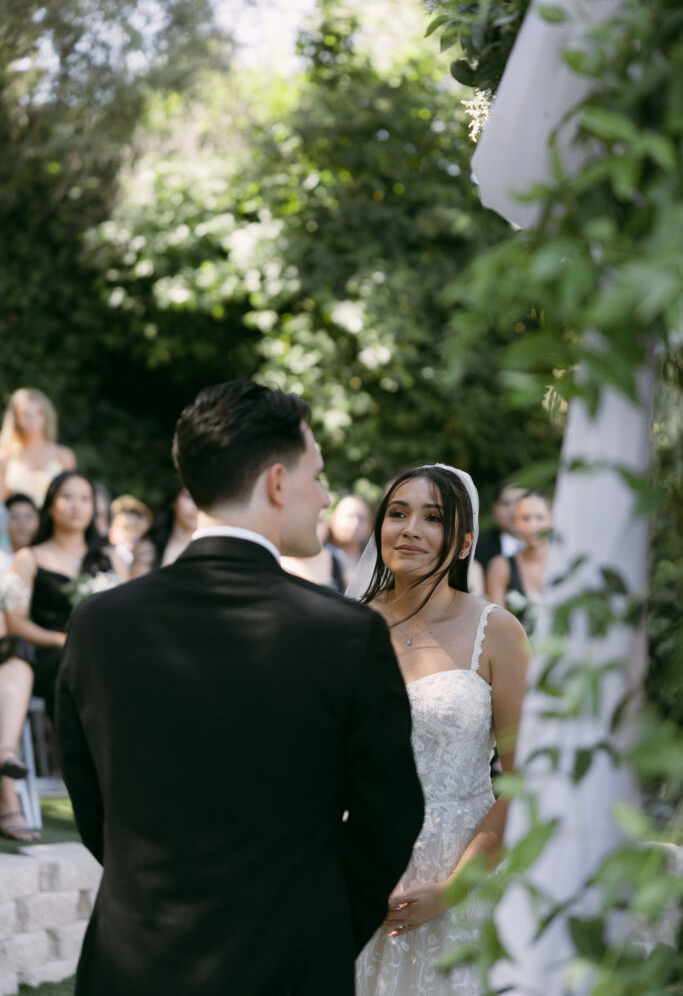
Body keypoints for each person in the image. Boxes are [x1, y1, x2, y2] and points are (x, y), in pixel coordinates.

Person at [55, 380, 424, 996]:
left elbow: (91, 805)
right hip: (290, 966)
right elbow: (389, 816)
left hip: (134, 962)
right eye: (318, 474)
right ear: (277, 482)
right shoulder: (347, 632)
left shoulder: (98, 623)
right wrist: (323, 930)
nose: (326, 496)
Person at [349, 464, 529, 996]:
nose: (410, 530)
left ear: (464, 540)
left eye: (433, 518)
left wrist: (452, 890)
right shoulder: (346, 626)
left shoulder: (496, 631)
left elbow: (526, 780)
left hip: (464, 871)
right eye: (398, 514)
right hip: (360, 874)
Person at [0, 471, 121, 841]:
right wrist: (58, 638)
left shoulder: (112, 556)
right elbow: (15, 621)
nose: (76, 506)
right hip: (51, 657)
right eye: (67, 497)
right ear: (50, 505)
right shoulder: (28, 558)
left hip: (108, 656)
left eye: (85, 498)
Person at [0, 388, 76, 507]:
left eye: (38, 413)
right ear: (17, 419)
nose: (33, 420)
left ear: (46, 417)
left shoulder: (64, 456)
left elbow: (74, 496)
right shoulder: (5, 457)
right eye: (26, 414)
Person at [486, 490, 552, 628]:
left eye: (540, 518)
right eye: (525, 518)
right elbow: (496, 625)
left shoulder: (565, 564)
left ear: (552, 519)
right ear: (516, 522)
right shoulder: (501, 566)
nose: (533, 526)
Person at [129, 478, 198, 578]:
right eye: (188, 497)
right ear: (173, 501)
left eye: (200, 499)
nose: (195, 506)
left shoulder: (212, 547)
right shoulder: (149, 548)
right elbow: (135, 590)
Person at [281, 510, 346, 591]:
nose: (314, 527)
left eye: (320, 520)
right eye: (308, 520)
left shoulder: (333, 559)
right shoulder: (279, 560)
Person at [475, 481, 525, 575]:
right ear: (495, 509)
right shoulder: (477, 546)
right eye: (506, 504)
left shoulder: (549, 546)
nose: (513, 510)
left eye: (519, 503)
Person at [328, 493, 372, 583]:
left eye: (361, 518)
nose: (355, 524)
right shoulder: (322, 555)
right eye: (349, 516)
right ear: (333, 519)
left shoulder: (376, 560)